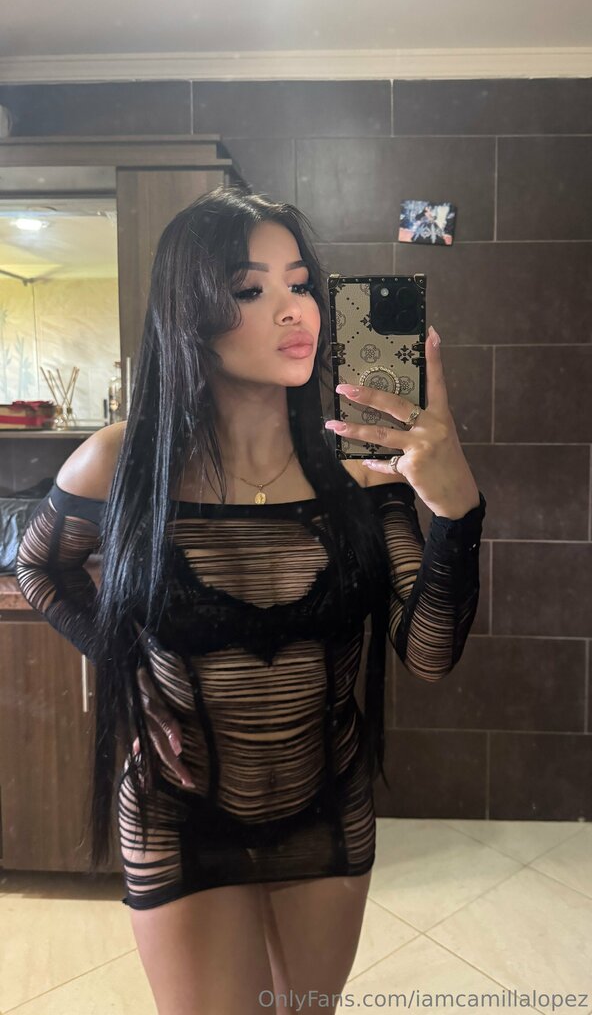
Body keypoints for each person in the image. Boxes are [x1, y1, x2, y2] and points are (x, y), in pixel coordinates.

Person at [15, 187, 486, 1015]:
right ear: (190, 313)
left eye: (300, 284)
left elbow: (429, 656)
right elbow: (39, 567)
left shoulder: (364, 474)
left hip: (327, 804)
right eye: (250, 289)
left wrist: (456, 514)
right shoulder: (121, 462)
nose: (293, 310)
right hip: (176, 808)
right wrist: (127, 670)